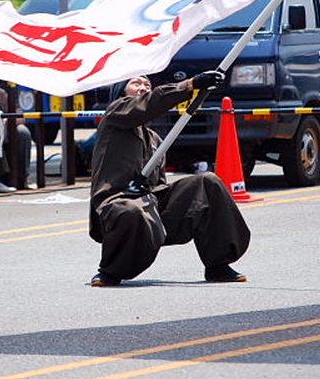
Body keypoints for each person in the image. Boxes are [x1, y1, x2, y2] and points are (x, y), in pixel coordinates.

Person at [89, 73, 251, 287]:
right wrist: (190, 85)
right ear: (121, 92)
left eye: (147, 83)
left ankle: (218, 264)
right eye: (136, 83)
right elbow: (149, 103)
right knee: (130, 209)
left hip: (151, 205)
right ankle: (110, 271)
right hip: (116, 205)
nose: (144, 87)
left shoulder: (156, 140)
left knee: (207, 183)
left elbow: (161, 186)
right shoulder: (116, 114)